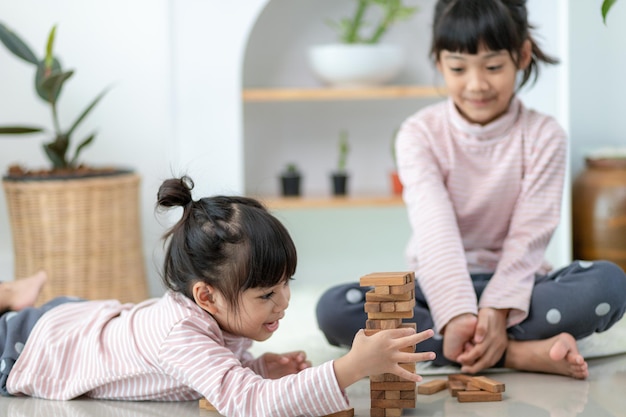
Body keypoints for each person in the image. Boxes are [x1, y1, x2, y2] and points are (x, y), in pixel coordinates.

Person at [316, 0, 626, 380]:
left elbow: (530, 235)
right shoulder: (419, 133)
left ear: (522, 55)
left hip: (520, 290)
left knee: (609, 283)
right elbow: (435, 230)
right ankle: (517, 352)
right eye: (459, 68)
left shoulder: (545, 135)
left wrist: (495, 310)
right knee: (334, 309)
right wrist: (456, 314)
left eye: (493, 66)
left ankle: (462, 346)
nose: (477, 84)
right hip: (434, 287)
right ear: (439, 61)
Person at [0, 176, 435, 417]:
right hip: (29, 346)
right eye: (267, 293)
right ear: (206, 296)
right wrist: (350, 367)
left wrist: (259, 366)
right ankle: (12, 297)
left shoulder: (217, 312)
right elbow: (245, 402)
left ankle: (16, 293)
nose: (283, 302)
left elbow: (220, 372)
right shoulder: (180, 334)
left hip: (85, 321)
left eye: (287, 284)